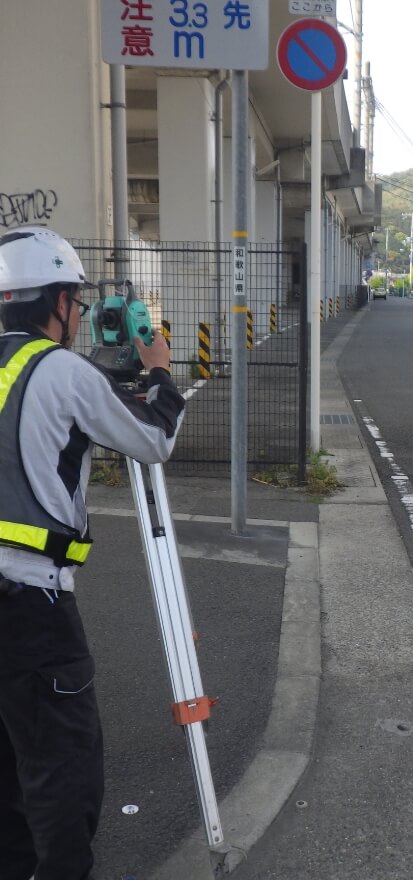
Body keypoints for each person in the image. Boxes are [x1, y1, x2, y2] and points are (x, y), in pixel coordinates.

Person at [0, 226, 185, 880]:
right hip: (31, 609)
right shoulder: (61, 370)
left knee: (7, 778)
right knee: (62, 779)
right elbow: (153, 438)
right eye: (75, 302)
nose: (80, 315)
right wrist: (159, 368)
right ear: (54, 301)